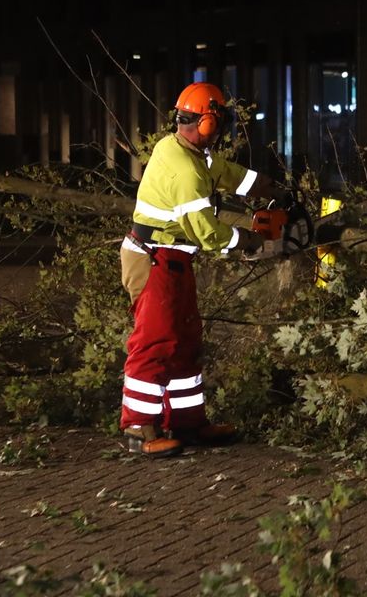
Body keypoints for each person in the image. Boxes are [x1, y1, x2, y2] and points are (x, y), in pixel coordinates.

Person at [118, 82, 282, 457]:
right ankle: (139, 430)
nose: (222, 129)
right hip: (154, 259)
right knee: (155, 343)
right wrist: (248, 240)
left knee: (186, 343)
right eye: (219, 121)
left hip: (173, 259)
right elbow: (206, 232)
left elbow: (224, 172)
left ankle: (188, 423)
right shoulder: (184, 171)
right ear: (207, 123)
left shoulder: (188, 151)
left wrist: (266, 187)